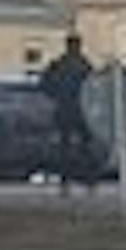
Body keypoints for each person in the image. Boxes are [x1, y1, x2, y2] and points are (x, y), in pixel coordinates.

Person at [38, 32, 99, 182]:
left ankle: (67, 179)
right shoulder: (84, 65)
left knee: (66, 147)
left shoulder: (60, 64)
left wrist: (55, 96)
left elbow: (44, 84)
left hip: (66, 109)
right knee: (83, 147)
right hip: (79, 110)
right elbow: (93, 88)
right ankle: (87, 179)